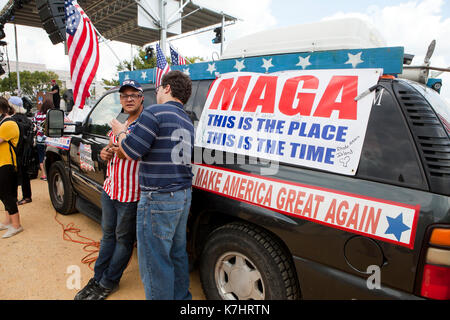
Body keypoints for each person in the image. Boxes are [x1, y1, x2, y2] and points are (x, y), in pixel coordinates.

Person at [111, 71, 194, 300]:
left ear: (167, 89)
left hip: (159, 198)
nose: (156, 93)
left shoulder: (154, 112)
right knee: (176, 254)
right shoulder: (187, 119)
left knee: (154, 261)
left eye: (158, 88)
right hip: (183, 195)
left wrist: (120, 133)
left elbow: (131, 151)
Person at [74, 79, 144, 300]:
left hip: (130, 193)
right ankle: (97, 279)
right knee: (107, 237)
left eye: (134, 95)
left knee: (123, 240)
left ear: (142, 98)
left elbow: (133, 151)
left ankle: (108, 282)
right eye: (124, 96)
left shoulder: (145, 124)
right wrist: (105, 153)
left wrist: (120, 140)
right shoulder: (121, 119)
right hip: (111, 188)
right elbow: (113, 147)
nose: (129, 99)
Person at [0, 97, 24, 238]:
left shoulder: (8, 124)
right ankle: (7, 221)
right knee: (3, 193)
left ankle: (16, 225)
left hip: (7, 163)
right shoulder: (3, 122)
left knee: (7, 194)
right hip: (2, 163)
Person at [8, 97, 32, 205]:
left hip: (15, 151)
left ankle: (14, 197)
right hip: (27, 151)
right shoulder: (27, 119)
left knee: (13, 176)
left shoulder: (12, 120)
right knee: (25, 174)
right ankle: (27, 196)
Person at [33, 96, 53, 181]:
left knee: (41, 156)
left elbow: (33, 125)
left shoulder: (37, 114)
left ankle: (43, 174)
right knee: (49, 156)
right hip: (50, 139)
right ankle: (49, 173)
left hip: (39, 139)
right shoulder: (52, 114)